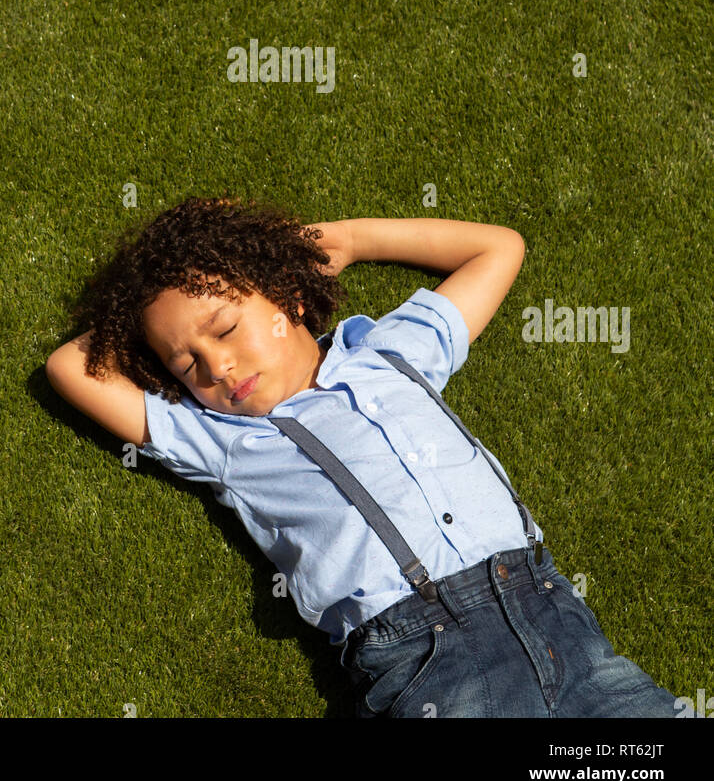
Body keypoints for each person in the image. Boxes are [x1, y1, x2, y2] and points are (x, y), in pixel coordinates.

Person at [46, 195, 680, 718]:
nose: (217, 366)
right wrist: (140, 313)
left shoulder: (391, 351)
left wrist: (345, 239)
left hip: (554, 614)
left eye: (224, 328)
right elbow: (68, 365)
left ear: (287, 298)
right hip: (429, 660)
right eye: (186, 364)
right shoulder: (222, 441)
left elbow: (498, 247)